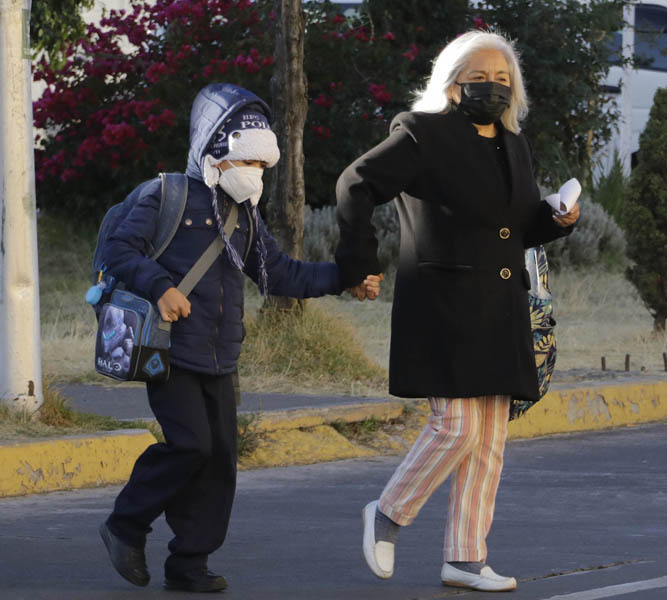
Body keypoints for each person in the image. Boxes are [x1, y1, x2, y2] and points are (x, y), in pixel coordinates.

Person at [98, 83, 380, 593]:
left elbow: (284, 274)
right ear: (213, 154)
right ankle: (125, 524)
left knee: (221, 458)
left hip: (222, 356)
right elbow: (119, 250)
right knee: (190, 446)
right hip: (169, 351)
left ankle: (188, 564)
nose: (256, 176)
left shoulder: (244, 217)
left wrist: (346, 278)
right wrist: (160, 287)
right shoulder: (165, 196)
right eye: (247, 163)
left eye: (264, 167)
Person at [335, 31, 580, 592]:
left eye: (502, 79)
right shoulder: (422, 134)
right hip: (443, 304)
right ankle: (388, 513)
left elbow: (514, 226)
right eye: (479, 77)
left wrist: (557, 219)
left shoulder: (513, 143)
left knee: (490, 439)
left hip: (499, 307)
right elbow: (356, 183)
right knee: (455, 427)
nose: (492, 87)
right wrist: (357, 261)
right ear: (451, 83)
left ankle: (466, 558)